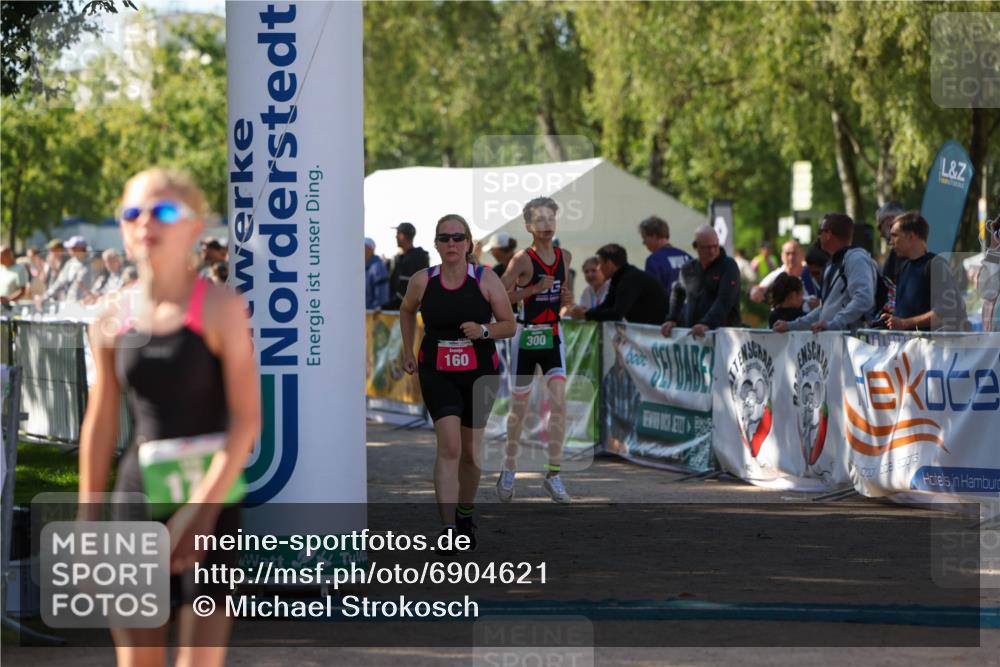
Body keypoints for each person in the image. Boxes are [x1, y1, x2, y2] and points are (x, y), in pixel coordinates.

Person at [79, 167, 260, 666]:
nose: (145, 223)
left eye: (162, 211)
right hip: (138, 498)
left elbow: (247, 421)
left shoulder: (222, 309)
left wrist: (202, 511)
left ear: (194, 226)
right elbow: (100, 423)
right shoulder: (112, 318)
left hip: (213, 503)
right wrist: (88, 514)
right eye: (132, 213)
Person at [399, 213, 515, 546]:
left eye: (457, 238)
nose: (451, 244)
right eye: (444, 238)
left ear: (469, 243)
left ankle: (465, 512)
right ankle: (448, 529)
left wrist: (484, 330)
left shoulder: (486, 279)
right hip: (437, 371)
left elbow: (509, 324)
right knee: (449, 447)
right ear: (436, 244)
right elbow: (407, 310)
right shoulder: (423, 280)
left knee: (471, 453)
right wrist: (408, 350)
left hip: (480, 374)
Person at [499, 197, 574, 504]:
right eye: (539, 220)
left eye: (550, 219)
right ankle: (509, 466)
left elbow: (565, 296)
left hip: (553, 335)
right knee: (519, 408)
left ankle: (553, 475)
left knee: (559, 404)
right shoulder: (522, 259)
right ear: (529, 226)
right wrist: (531, 290)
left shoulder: (564, 256)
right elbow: (499, 292)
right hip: (525, 337)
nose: (546, 225)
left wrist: (566, 300)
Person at [773, 213, 876, 333]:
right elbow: (824, 309)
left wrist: (834, 324)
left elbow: (864, 299)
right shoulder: (832, 263)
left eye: (820, 232)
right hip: (832, 342)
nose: (819, 237)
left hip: (850, 344)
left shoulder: (856, 259)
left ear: (828, 234)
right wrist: (791, 325)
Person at [881, 211, 967, 331]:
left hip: (933, 348)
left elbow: (945, 312)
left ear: (911, 237)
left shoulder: (936, 265)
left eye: (895, 235)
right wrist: (892, 320)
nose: (891, 241)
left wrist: (903, 323)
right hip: (909, 347)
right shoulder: (904, 268)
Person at [661, 225, 742, 338]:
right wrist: (672, 318)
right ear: (696, 246)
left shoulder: (728, 266)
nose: (712, 251)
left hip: (723, 338)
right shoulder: (688, 268)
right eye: (707, 248)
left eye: (715, 246)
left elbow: (725, 300)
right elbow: (677, 292)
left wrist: (707, 323)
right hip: (694, 336)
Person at [567, 244, 668, 325]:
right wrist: (586, 313)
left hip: (658, 330)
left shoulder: (629, 279)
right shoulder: (619, 278)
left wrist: (586, 314)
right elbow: (607, 305)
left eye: (600, 265)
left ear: (609, 264)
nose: (599, 269)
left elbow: (616, 313)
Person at [749, 239, 818, 305]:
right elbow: (759, 289)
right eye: (787, 254)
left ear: (802, 254)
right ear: (782, 256)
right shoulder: (776, 275)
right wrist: (757, 292)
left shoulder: (813, 273)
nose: (791, 257)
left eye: (794, 253)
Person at [639, 215, 692, 296]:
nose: (644, 243)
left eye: (644, 238)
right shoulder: (687, 257)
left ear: (654, 236)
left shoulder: (654, 260)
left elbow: (651, 294)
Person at [386, 222, 430, 310]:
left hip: (409, 313)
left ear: (402, 236)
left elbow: (405, 291)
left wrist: (386, 307)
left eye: (398, 233)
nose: (396, 237)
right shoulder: (401, 258)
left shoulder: (414, 259)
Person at [39, 236, 94, 304]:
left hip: (87, 304)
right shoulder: (70, 263)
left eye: (71, 248)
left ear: (78, 249)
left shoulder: (92, 263)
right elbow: (60, 281)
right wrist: (45, 296)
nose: (68, 250)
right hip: (70, 303)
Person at [876, 201, 906, 284]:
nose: (881, 234)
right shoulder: (897, 253)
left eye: (879, 227)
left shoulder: (903, 253)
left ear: (889, 220)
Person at [364, 237, 389, 309]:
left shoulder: (378, 267)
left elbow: (382, 294)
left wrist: (378, 307)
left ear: (370, 249)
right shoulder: (364, 267)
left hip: (374, 314)